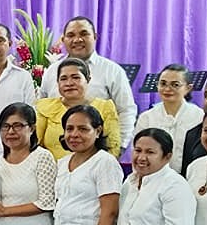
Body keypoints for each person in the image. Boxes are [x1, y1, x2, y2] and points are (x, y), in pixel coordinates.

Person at [39, 17, 138, 147]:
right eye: (71, 35)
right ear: (63, 40)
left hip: (96, 155)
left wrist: (119, 147)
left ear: (95, 36)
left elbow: (126, 111)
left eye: (84, 34)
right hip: (53, 156)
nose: (77, 39)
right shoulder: (52, 71)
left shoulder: (112, 71)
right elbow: (41, 110)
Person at [36, 58, 122, 159]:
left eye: (75, 77)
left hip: (93, 170)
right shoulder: (45, 107)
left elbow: (112, 148)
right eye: (63, 79)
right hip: (51, 170)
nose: (69, 83)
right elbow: (35, 145)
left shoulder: (104, 108)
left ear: (88, 79)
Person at [135, 64, 204, 175]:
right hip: (154, 177)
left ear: (188, 88)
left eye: (175, 85)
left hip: (190, 177)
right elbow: (137, 152)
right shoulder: (147, 117)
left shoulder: (199, 116)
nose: (167, 89)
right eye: (163, 84)